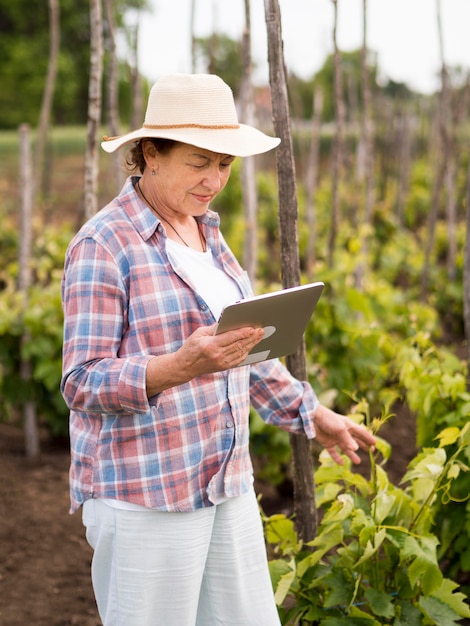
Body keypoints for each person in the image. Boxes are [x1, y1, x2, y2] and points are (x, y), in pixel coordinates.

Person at [60, 73, 376, 626]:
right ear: (150, 154)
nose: (214, 180)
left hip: (224, 480)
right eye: (199, 162)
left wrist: (312, 414)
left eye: (224, 165)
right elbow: (81, 382)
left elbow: (245, 349)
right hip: (146, 493)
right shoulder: (103, 245)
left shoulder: (207, 232)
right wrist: (178, 367)